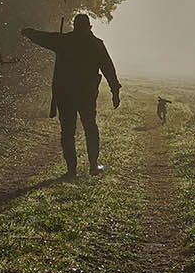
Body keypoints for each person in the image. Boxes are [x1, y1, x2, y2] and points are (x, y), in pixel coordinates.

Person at [20, 14, 121, 177]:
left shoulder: (63, 41)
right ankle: (93, 166)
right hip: (86, 95)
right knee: (90, 128)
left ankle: (71, 170)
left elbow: (44, 38)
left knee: (68, 132)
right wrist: (114, 91)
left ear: (74, 26)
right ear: (90, 27)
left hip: (65, 94)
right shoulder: (96, 45)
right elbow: (109, 70)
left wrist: (29, 33)